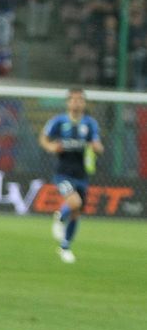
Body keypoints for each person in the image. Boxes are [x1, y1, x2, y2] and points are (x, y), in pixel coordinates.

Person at [39, 88, 104, 264]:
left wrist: (97, 148)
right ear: (68, 102)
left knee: (76, 212)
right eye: (73, 99)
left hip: (82, 173)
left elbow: (97, 144)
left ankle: (65, 247)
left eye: (80, 100)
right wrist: (51, 147)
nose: (76, 103)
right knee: (75, 202)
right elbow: (44, 138)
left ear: (84, 103)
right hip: (63, 173)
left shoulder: (90, 123)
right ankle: (60, 216)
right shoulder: (59, 121)